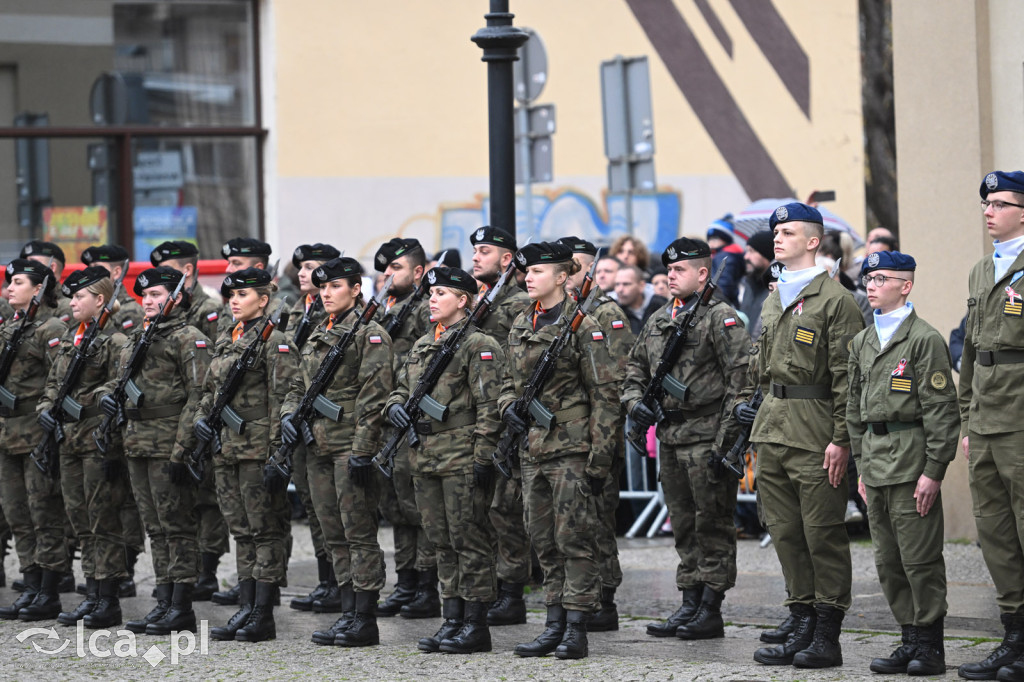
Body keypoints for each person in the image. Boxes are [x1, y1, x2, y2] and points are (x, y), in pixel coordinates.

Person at [747, 202, 865, 669]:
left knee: (823, 534)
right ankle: (801, 620)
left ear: (813, 241)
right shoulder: (776, 294)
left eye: (789, 232)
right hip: (773, 425)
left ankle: (827, 632)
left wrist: (841, 439)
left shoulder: (835, 300)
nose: (777, 237)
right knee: (785, 531)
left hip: (815, 430)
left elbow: (846, 378)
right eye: (776, 231)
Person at [623, 238, 750, 641]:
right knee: (683, 524)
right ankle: (689, 601)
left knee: (712, 524)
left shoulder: (720, 318)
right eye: (668, 270)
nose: (670, 276)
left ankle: (711, 608)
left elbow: (741, 384)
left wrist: (727, 443)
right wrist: (634, 405)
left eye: (679, 270)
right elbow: (634, 373)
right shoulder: (661, 318)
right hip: (672, 437)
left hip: (707, 435)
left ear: (702, 273)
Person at [498, 241, 619, 660]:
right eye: (526, 271)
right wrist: (507, 407)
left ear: (563, 277)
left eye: (538, 271)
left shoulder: (583, 325)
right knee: (543, 540)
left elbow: (605, 395)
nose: (528, 277)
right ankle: (552, 623)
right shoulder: (520, 323)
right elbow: (507, 382)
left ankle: (577, 626)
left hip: (571, 449)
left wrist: (599, 459)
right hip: (532, 449)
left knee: (575, 540)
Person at [846, 251, 958, 676]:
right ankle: (908, 637)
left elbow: (942, 412)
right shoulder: (861, 341)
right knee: (887, 559)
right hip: (874, 461)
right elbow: (853, 410)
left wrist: (934, 471)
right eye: (868, 278)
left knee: (920, 557)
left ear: (905, 285)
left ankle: (931, 645)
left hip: (911, 460)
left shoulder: (923, 339)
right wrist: (858, 466)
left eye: (881, 278)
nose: (871, 285)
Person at [385, 265, 504, 654]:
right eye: (431, 294)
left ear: (463, 301)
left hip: (461, 455)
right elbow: (400, 388)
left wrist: (483, 457)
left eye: (441, 294)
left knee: (468, 539)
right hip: (425, 456)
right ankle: (451, 618)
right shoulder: (423, 344)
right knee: (440, 541)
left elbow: (490, 406)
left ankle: (475, 623)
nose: (432, 300)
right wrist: (397, 407)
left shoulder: (478, 344)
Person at [283, 256, 393, 647]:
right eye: (323, 287)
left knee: (358, 532)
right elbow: (298, 384)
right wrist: (288, 415)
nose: (326, 293)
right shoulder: (318, 330)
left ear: (356, 289)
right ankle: (347, 612)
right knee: (333, 534)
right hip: (318, 447)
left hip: (350, 448)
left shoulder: (370, 334)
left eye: (334, 287)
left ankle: (365, 617)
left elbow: (375, 397)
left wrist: (363, 451)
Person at [102, 266, 211, 635]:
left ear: (176, 298)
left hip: (168, 445)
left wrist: (183, 451)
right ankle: (163, 600)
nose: (148, 302)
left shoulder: (189, 339)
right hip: (137, 444)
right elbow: (118, 385)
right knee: (155, 528)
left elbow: (198, 398)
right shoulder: (136, 338)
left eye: (156, 295)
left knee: (177, 526)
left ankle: (181, 605)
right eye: (144, 296)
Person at [194, 268, 297, 642]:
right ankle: (246, 605)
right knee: (241, 531)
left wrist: (276, 456)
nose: (234, 300)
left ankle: (263, 613)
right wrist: (203, 419)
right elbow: (211, 389)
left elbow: (283, 399)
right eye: (231, 294)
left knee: (264, 529)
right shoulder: (227, 337)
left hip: (256, 450)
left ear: (264, 300)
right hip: (227, 448)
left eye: (243, 294)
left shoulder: (276, 343)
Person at [957, 170, 1024, 682]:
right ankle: (1014, 636)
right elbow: (972, 354)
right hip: (983, 421)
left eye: (1000, 203)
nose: (988, 211)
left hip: (1020, 419)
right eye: (986, 202)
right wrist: (964, 419)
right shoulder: (983, 270)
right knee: (995, 532)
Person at [40, 268, 131, 629]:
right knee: (79, 521)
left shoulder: (115, 341)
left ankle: (107, 599)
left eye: (80, 297)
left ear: (100, 300)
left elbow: (118, 384)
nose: (72, 302)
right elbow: (53, 382)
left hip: (97, 440)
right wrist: (46, 408)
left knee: (102, 520)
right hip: (69, 440)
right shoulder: (69, 337)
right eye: (72, 297)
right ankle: (91, 595)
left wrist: (95, 398)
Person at [557, 235, 634, 632]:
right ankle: (577, 597)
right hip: (564, 439)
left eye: (570, 265)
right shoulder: (560, 312)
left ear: (586, 269)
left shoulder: (605, 314)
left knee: (599, 520)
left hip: (596, 437)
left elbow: (615, 383)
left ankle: (605, 598)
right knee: (573, 523)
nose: (564, 272)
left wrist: (600, 446)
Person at [149, 240, 230, 603]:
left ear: (185, 272)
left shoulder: (209, 310)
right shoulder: (160, 315)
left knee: (206, 499)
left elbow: (210, 370)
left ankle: (206, 570)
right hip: (171, 424)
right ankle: (184, 573)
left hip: (199, 416)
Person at [468, 226, 533, 627]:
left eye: (485, 251)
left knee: (506, 510)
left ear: (507, 260)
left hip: (507, 416)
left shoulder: (516, 304)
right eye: (475, 250)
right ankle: (493, 587)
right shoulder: (480, 301)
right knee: (486, 509)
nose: (476, 257)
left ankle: (512, 594)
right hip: (481, 415)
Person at [371, 237, 438, 620]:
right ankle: (407, 581)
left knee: (418, 508)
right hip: (387, 419)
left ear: (417, 272)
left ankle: (427, 587)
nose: (386, 276)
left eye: (395, 268)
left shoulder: (425, 310)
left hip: (413, 420)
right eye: (384, 269)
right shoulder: (386, 309)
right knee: (396, 507)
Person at [0, 259, 69, 621]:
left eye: (19, 282)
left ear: (39, 289)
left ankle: (49, 590)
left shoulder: (52, 327)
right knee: (17, 515)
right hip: (7, 432)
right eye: (10, 282)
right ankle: (30, 584)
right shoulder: (11, 327)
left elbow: (61, 379)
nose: (10, 287)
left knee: (44, 513)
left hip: (35, 433)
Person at [283, 243, 340, 614]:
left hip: (327, 427)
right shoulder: (294, 312)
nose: (305, 274)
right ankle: (325, 581)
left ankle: (339, 585)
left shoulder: (333, 314)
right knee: (313, 507)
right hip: (297, 417)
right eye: (302, 268)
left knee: (332, 511)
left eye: (314, 268)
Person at [80, 245, 145, 333]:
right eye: (90, 269)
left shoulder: (131, 311)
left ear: (116, 272)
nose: (90, 274)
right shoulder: (86, 306)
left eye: (97, 268)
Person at [20, 240, 71, 324]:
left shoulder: (68, 305)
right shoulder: (23, 300)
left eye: (33, 264)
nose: (26, 270)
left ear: (52, 267)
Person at [738, 231, 774, 340]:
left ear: (767, 254)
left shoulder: (775, 288)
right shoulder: (748, 283)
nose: (746, 256)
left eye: (752, 251)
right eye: (747, 251)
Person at [706, 214, 746, 306]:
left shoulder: (724, 256)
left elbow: (724, 285)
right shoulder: (721, 255)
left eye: (715, 238)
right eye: (710, 239)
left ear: (726, 239)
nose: (711, 243)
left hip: (723, 303)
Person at [613, 265, 666, 334]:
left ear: (641, 286)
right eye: (617, 284)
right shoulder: (613, 312)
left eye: (626, 284)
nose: (620, 290)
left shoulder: (661, 307)